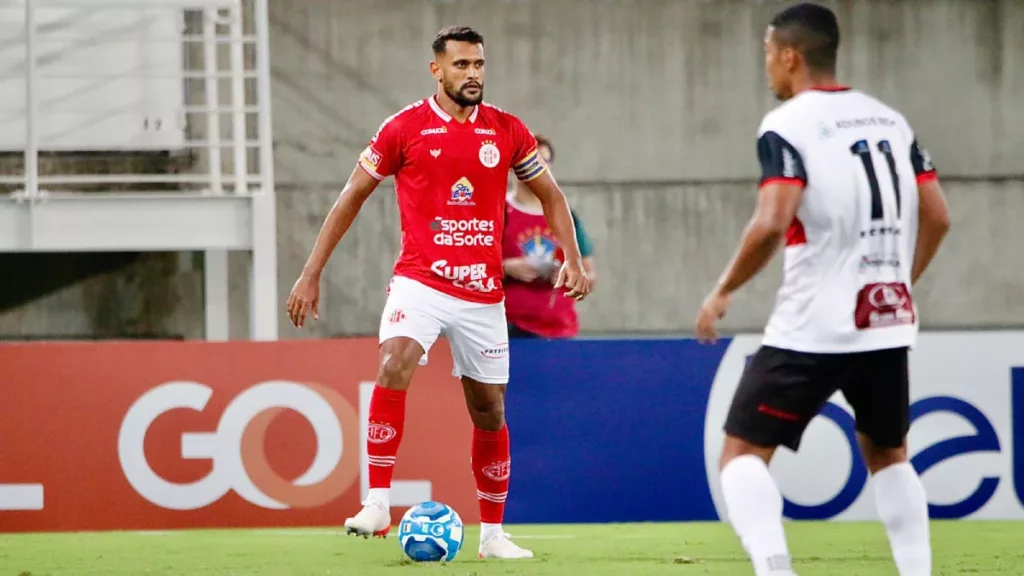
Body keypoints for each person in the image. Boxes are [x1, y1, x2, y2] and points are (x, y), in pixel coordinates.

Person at [285, 25, 591, 560]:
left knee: (489, 411)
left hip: (482, 295)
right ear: (437, 70)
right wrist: (312, 271)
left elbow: (551, 196)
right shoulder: (403, 129)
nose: (472, 74)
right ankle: (378, 501)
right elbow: (351, 196)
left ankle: (493, 536)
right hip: (421, 280)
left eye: (478, 65)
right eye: (461, 66)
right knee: (394, 361)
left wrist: (570, 255)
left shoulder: (508, 132)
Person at [694, 4, 950, 576]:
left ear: (790, 56)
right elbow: (937, 216)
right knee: (888, 455)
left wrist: (723, 290)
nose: (766, 68)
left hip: (813, 324)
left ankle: (774, 568)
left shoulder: (787, 125)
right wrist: (898, 282)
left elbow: (771, 221)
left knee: (739, 455)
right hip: (884, 322)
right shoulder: (890, 120)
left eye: (767, 55)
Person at [502, 135, 596, 339]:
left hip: (560, 331)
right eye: (528, 161)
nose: (536, 169)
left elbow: (589, 274)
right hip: (507, 332)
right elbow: (468, 269)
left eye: (544, 162)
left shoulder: (566, 216)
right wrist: (507, 268)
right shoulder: (497, 212)